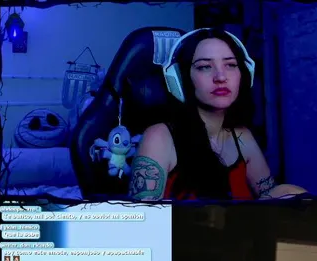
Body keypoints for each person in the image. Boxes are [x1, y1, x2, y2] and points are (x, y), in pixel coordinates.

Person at [128, 28, 307, 201]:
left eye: (230, 65)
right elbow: (144, 218)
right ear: (180, 78)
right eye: (205, 67)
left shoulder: (242, 137)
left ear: (244, 75)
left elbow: (270, 199)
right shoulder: (159, 137)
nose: (221, 77)